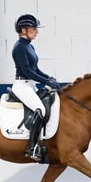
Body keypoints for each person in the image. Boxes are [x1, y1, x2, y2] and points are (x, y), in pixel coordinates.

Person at [11, 14, 60, 162]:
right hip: (22, 85)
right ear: (24, 30)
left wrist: (49, 78)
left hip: (30, 84)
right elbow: (27, 71)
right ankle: (32, 148)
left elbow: (35, 69)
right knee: (40, 110)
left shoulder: (29, 46)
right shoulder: (19, 47)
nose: (37, 32)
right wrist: (45, 80)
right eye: (33, 29)